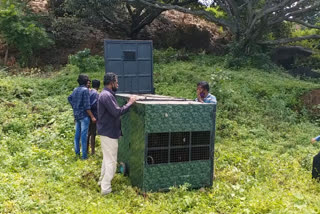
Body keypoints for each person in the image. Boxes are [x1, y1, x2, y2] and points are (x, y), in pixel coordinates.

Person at [97, 72, 136, 195]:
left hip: (106, 132)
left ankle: (101, 181)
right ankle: (106, 189)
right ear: (111, 83)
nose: (117, 84)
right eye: (117, 82)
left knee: (106, 159)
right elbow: (116, 112)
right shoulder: (106, 96)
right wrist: (130, 102)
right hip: (109, 133)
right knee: (112, 162)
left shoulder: (106, 94)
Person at [68, 74, 96, 160]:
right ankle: (84, 156)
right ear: (85, 81)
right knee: (84, 136)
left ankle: (77, 153)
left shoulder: (75, 89)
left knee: (77, 135)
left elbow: (69, 98)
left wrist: (75, 107)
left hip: (77, 116)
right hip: (84, 116)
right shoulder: (85, 90)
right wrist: (92, 117)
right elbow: (87, 106)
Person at [87, 79, 100, 155]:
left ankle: (87, 150)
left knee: (88, 133)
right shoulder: (96, 94)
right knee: (93, 133)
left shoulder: (89, 92)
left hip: (87, 114)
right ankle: (92, 151)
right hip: (94, 115)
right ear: (98, 86)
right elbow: (95, 104)